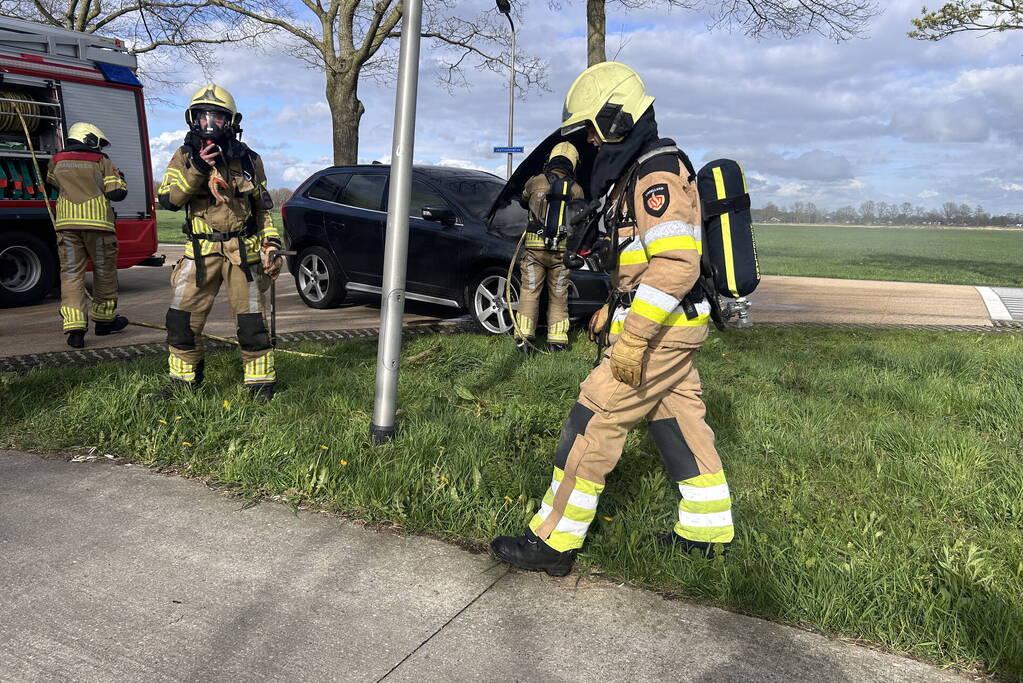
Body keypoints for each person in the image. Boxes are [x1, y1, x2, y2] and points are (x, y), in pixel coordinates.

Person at [491, 62, 734, 576]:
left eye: (594, 133)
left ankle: (553, 542)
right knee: (678, 420)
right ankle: (709, 528)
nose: (592, 146)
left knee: (591, 421)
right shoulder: (639, 169)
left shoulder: (656, 173)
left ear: (617, 120)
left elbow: (675, 264)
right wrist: (612, 306)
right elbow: (644, 261)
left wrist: (633, 338)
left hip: (658, 334)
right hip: (675, 325)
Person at [156, 84, 283, 402]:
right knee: (181, 320)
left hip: (244, 254)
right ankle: (185, 383)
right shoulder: (184, 156)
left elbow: (263, 210)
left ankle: (259, 386)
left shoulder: (250, 160)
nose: (209, 124)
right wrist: (198, 168)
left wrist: (271, 245)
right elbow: (169, 200)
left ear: (231, 121)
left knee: (253, 324)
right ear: (193, 119)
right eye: (203, 116)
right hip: (199, 254)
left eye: (217, 117)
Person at [46, 122, 129, 348]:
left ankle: (75, 329)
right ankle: (104, 322)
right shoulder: (101, 161)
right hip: (99, 228)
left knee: (72, 275)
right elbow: (117, 192)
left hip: (67, 227)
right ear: (89, 139)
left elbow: (52, 183)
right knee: (104, 274)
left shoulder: (56, 161)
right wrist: (120, 177)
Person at [513, 143, 585, 352]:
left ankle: (524, 338)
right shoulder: (576, 188)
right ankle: (558, 341)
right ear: (573, 163)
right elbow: (579, 217)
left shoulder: (536, 181)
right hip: (562, 253)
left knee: (529, 291)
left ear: (550, 159)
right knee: (559, 294)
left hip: (535, 250)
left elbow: (524, 198)